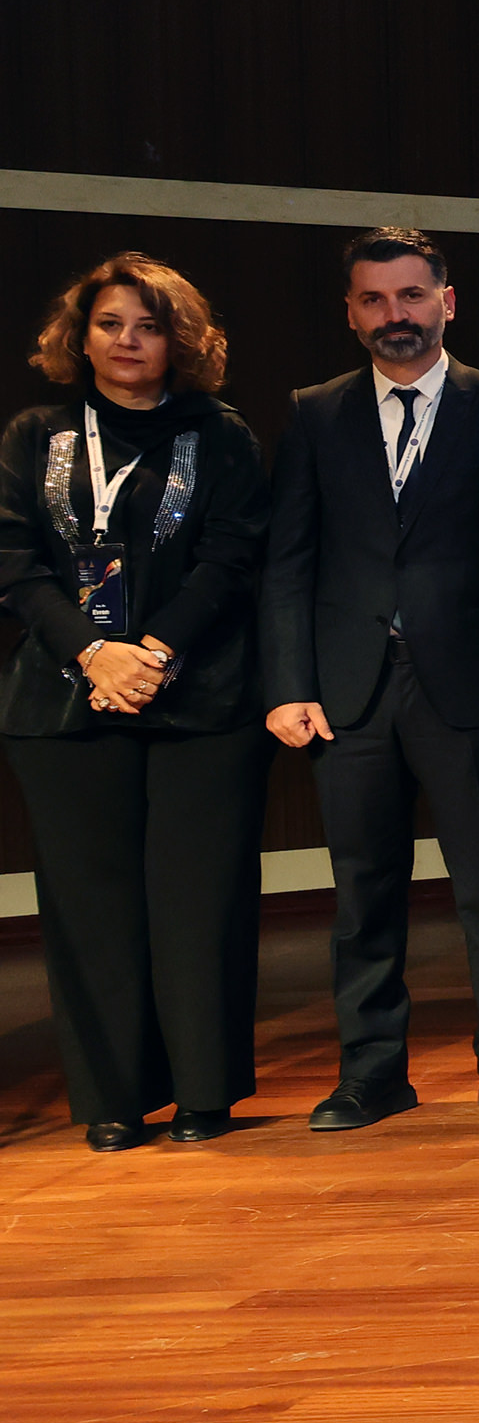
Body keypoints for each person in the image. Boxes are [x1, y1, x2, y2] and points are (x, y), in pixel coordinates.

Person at [262, 227, 479, 1131]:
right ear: (350, 313)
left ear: (446, 302)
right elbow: (288, 562)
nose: (397, 314)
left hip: (470, 686)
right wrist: (288, 683)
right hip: (347, 691)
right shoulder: (315, 412)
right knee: (362, 896)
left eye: (413, 295)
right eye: (375, 299)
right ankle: (372, 1073)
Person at [0, 256, 270, 1148]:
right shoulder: (33, 433)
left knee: (201, 902)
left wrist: (150, 652)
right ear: (80, 336)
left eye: (149, 327)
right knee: (90, 910)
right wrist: (93, 652)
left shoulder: (221, 434)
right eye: (111, 323)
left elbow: (233, 557)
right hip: (64, 704)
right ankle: (113, 1098)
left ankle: (203, 1092)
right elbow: (13, 562)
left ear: (178, 342)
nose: (128, 341)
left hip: (201, 700)